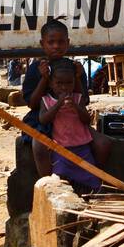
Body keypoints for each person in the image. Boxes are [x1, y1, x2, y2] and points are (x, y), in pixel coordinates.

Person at [23, 20, 111, 178]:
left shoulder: (75, 67)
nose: (56, 46)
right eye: (51, 42)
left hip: (72, 118)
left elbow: (83, 101)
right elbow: (32, 104)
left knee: (103, 143)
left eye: (61, 42)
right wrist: (44, 78)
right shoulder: (35, 69)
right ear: (43, 44)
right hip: (43, 120)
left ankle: (95, 179)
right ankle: (47, 185)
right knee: (39, 144)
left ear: (68, 43)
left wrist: (77, 77)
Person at [38, 59, 102, 193]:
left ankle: (90, 196)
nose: (64, 87)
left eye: (69, 83)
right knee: (60, 178)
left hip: (82, 147)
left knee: (91, 177)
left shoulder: (78, 98)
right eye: (59, 83)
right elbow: (43, 119)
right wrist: (58, 104)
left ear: (74, 82)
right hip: (60, 149)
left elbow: (87, 119)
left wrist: (76, 107)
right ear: (51, 83)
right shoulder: (47, 100)